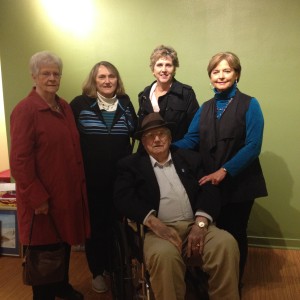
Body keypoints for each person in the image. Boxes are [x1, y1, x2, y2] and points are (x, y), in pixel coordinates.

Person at [114, 113, 240, 300]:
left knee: (226, 244)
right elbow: (123, 198)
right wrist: (154, 223)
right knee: (164, 256)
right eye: (150, 136)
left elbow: (209, 190)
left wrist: (201, 223)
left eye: (161, 134)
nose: (157, 139)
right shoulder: (131, 165)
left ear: (170, 137)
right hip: (156, 231)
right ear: (143, 140)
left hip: (194, 224)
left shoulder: (190, 158)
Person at [173, 52, 268, 284]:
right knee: (214, 235)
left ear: (236, 75)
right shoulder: (205, 107)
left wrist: (224, 171)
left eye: (227, 70)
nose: (221, 76)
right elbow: (191, 140)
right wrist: (165, 147)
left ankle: (234, 284)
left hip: (239, 183)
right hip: (211, 186)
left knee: (235, 234)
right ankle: (213, 281)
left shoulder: (250, 104)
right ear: (210, 77)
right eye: (216, 71)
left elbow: (253, 146)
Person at [10, 51, 90, 300]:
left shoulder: (64, 106)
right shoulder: (25, 110)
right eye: (46, 73)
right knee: (44, 250)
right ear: (34, 76)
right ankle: (44, 294)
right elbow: (20, 161)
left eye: (56, 73)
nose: (52, 78)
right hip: (42, 198)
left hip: (65, 192)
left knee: (63, 242)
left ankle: (61, 286)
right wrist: (37, 197)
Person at [70, 61, 137, 293]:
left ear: (117, 80)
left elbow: (135, 133)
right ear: (93, 81)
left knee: (117, 224)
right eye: (102, 77)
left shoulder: (126, 103)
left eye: (112, 76)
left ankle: (114, 266)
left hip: (120, 179)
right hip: (92, 179)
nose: (107, 81)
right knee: (96, 227)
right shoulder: (80, 104)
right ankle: (97, 271)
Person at [137, 45, 199, 146]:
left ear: (174, 69)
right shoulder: (144, 95)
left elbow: (195, 131)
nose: (164, 69)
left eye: (168, 65)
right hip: (149, 155)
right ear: (153, 70)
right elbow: (142, 132)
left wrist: (170, 150)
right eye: (159, 65)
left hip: (177, 154)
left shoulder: (186, 93)